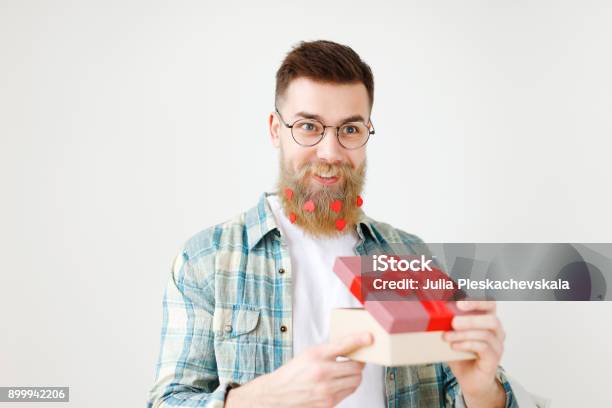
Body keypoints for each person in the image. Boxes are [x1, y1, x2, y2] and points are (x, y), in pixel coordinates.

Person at [147, 40, 516, 408]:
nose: (330, 152)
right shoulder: (205, 261)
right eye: (309, 126)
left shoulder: (410, 256)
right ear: (276, 129)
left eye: (350, 130)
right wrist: (263, 398)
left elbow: (459, 395)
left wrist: (482, 390)